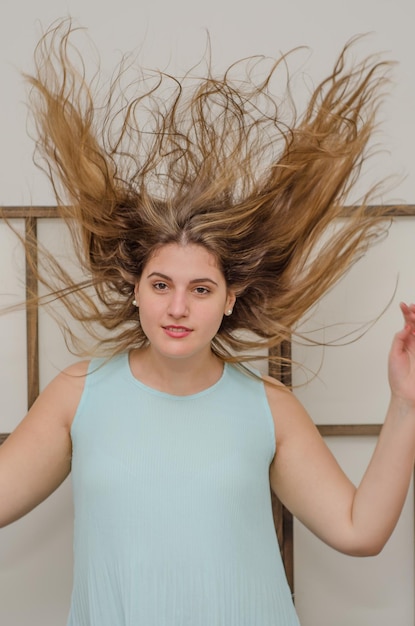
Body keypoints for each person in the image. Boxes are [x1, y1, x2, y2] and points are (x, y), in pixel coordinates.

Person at [1, 18, 415, 626]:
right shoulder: (77, 395)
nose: (177, 308)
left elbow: (360, 531)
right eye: (161, 285)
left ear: (229, 299)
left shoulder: (267, 407)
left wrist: (405, 403)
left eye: (200, 289)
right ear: (135, 291)